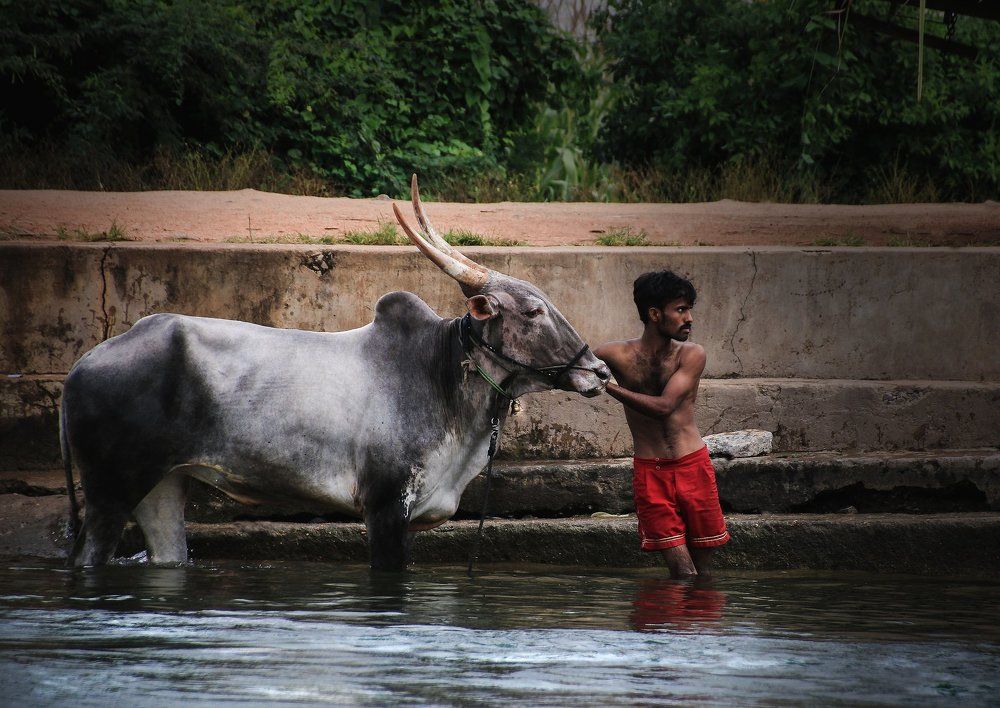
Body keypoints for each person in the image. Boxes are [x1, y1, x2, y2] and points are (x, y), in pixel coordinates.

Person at [595, 270, 728, 579]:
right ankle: (666, 626)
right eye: (681, 310)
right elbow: (569, 366)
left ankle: (699, 625)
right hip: (650, 471)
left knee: (704, 573)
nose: (689, 318)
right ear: (655, 314)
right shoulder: (614, 354)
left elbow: (664, 407)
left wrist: (607, 386)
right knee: (683, 572)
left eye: (689, 309)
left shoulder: (692, 355)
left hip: (693, 466)